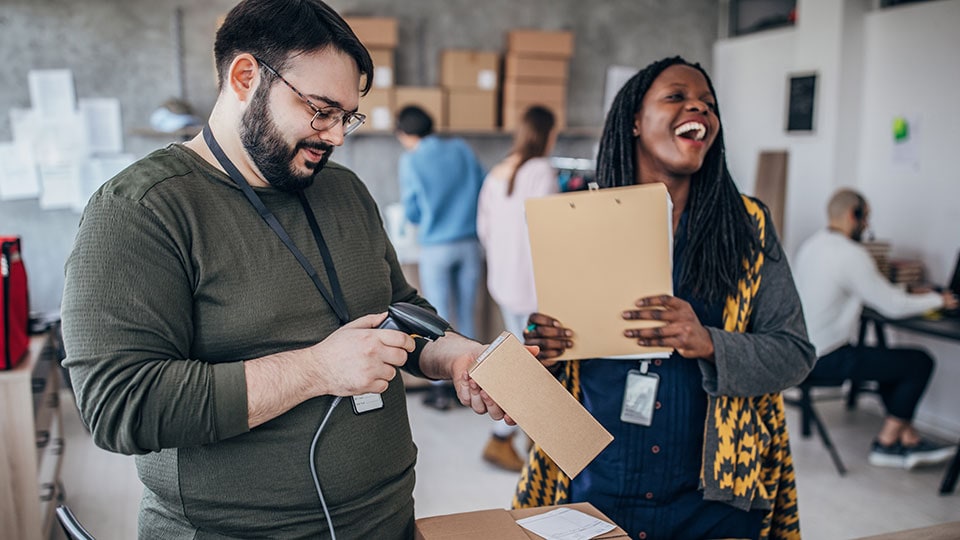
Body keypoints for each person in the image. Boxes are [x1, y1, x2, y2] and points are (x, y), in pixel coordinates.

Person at [59, 1, 504, 537]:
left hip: (389, 521)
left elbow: (404, 312)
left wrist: (454, 353)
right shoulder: (142, 208)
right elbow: (119, 404)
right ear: (246, 77)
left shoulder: (345, 191)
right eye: (321, 110)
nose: (336, 136)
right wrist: (316, 369)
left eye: (347, 117)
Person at [515, 56, 816, 540]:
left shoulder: (747, 226)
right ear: (635, 119)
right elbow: (545, 385)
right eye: (676, 96)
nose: (698, 106)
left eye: (708, 103)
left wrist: (711, 343)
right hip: (596, 487)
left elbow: (796, 354)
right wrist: (542, 354)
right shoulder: (579, 219)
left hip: (715, 501)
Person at [793, 188, 958, 469]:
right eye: (866, 218)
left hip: (799, 353)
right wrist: (938, 299)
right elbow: (892, 306)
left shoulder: (813, 245)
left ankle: (908, 438)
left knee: (888, 360)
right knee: (918, 362)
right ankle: (887, 443)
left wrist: (911, 293)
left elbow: (877, 293)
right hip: (826, 358)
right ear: (853, 215)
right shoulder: (850, 254)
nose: (868, 226)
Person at [475, 105, 558, 471]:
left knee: (523, 359)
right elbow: (551, 230)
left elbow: (484, 230)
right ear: (547, 134)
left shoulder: (498, 171)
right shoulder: (541, 171)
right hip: (532, 284)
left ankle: (521, 437)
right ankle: (502, 438)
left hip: (505, 281)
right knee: (532, 364)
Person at [396, 105, 486, 410]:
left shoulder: (411, 160)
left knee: (438, 322)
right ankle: (476, 383)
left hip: (436, 246)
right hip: (470, 243)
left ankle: (441, 391)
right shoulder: (460, 148)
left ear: (405, 134)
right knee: (467, 314)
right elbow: (481, 186)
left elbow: (411, 210)